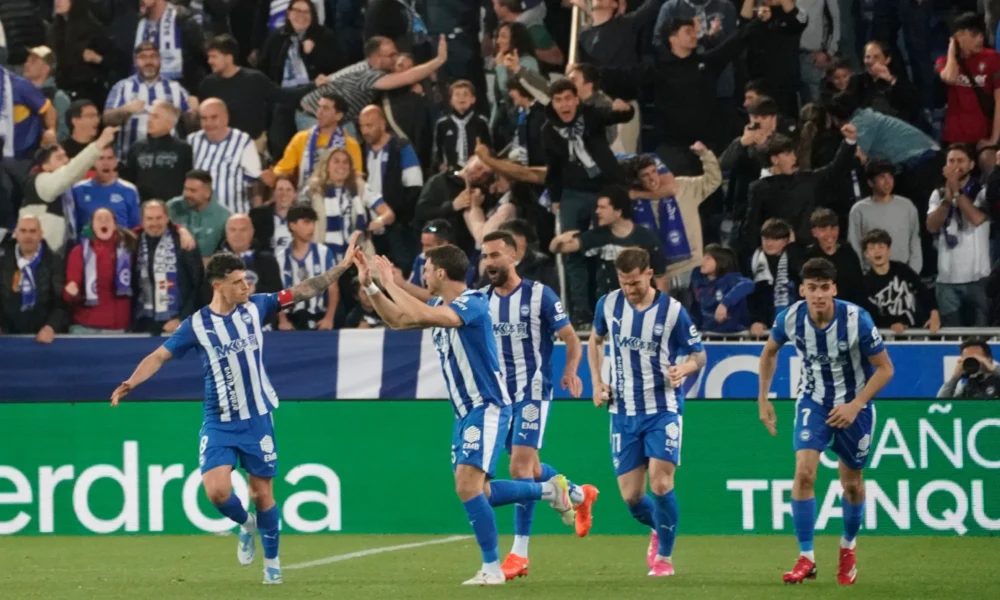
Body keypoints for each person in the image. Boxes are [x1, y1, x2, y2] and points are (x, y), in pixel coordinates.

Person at [110, 232, 365, 585]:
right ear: (219, 286)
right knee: (216, 491)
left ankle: (272, 565)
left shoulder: (257, 306)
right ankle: (245, 524)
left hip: (258, 417)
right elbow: (159, 356)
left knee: (263, 494)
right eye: (237, 282)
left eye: (246, 279)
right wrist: (131, 382)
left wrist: (342, 266)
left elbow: (305, 289)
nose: (245, 285)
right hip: (219, 421)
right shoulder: (196, 325)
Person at [354, 244, 576, 585]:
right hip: (464, 412)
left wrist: (393, 284)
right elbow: (400, 319)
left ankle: (491, 569)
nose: (423, 275)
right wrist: (372, 286)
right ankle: (549, 491)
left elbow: (425, 317)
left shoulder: (473, 302)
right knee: (480, 491)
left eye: (426, 269)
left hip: (485, 406)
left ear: (441, 272)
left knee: (466, 487)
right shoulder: (437, 305)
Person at [757, 257, 894, 586]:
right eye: (812, 288)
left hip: (854, 407)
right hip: (813, 402)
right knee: (804, 472)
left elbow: (886, 369)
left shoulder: (856, 319)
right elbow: (769, 352)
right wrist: (763, 398)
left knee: (851, 485)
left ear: (834, 289)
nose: (818, 295)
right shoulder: (790, 318)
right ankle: (806, 557)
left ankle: (848, 549)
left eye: (824, 288)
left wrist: (856, 404)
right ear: (802, 290)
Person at [479, 231, 597, 579]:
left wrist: (571, 370)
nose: (489, 263)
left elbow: (571, 338)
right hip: (499, 398)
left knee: (518, 470)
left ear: (514, 255)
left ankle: (519, 553)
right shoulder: (481, 299)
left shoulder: (540, 295)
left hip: (533, 392)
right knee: (530, 470)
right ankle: (577, 493)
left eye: (495, 255)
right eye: (484, 256)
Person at [586, 247, 707, 577]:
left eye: (635, 282)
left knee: (661, 483)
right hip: (622, 411)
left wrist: (684, 368)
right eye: (624, 282)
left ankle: (665, 559)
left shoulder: (672, 312)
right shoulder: (608, 305)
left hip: (662, 409)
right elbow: (594, 341)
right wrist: (596, 382)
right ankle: (659, 528)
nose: (629, 289)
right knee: (632, 497)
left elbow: (699, 355)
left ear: (649, 274)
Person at [550, 185, 670, 299]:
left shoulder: (646, 239)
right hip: (609, 307)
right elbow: (558, 248)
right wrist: (559, 240)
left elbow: (661, 280)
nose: (597, 211)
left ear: (618, 211)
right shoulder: (598, 236)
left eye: (602, 207)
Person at [301, 35, 450, 127]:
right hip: (313, 116)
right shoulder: (367, 74)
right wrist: (439, 60)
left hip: (340, 119)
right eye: (391, 55)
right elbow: (407, 77)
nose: (395, 58)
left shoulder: (369, 67)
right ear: (377, 59)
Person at [18, 125, 119, 254]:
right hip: (40, 258)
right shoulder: (39, 182)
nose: (66, 160)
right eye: (59, 158)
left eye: (65, 156)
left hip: (63, 253)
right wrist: (99, 144)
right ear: (45, 166)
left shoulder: (68, 190)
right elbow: (70, 172)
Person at [926, 144, 991, 327]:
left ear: (971, 165)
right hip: (946, 281)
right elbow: (931, 226)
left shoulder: (982, 191)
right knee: (953, 341)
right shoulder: (938, 194)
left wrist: (957, 192)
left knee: (981, 339)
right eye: (951, 161)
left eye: (960, 161)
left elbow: (976, 218)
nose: (956, 165)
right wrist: (947, 199)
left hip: (978, 279)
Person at [104, 42, 195, 160]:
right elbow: (106, 119)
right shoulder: (122, 87)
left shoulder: (175, 88)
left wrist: (194, 111)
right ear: (136, 61)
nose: (148, 61)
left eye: (153, 56)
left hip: (168, 159)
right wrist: (126, 110)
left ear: (160, 60)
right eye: (143, 57)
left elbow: (192, 124)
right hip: (128, 159)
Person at [359, 105, 422, 269]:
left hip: (398, 231)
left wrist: (396, 219)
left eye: (369, 125)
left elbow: (414, 188)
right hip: (369, 230)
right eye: (362, 126)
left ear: (382, 124)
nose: (365, 131)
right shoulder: (359, 150)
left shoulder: (401, 147)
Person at [305, 148, 393, 262]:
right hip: (324, 256)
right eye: (336, 161)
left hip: (359, 255)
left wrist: (378, 221)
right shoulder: (313, 191)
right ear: (326, 165)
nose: (341, 165)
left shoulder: (359, 187)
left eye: (345, 162)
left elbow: (388, 214)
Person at [132, 200, 203, 335]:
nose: (154, 223)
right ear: (142, 220)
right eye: (149, 219)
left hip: (176, 322)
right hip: (142, 321)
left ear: (167, 218)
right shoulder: (133, 241)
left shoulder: (184, 243)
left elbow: (198, 284)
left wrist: (182, 318)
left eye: (159, 218)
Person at [271, 92, 363, 191]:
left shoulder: (350, 145)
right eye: (319, 107)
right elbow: (283, 170)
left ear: (338, 116)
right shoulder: (301, 138)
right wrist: (273, 177)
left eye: (325, 108)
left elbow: (356, 178)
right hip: (305, 198)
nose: (319, 112)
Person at [63, 208, 136, 334]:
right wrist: (70, 292)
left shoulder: (129, 249)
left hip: (119, 327)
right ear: (92, 225)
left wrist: (179, 229)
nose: (104, 222)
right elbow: (70, 293)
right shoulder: (79, 252)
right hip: (86, 326)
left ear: (115, 224)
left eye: (108, 219)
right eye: (99, 220)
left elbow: (150, 228)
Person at [187, 98, 262, 215]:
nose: (209, 123)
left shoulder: (243, 141)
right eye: (204, 119)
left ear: (226, 118)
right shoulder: (192, 141)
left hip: (234, 218)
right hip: (199, 219)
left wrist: (257, 216)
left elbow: (255, 183)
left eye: (214, 117)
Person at [847, 159, 922, 274]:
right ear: (871, 182)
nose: (888, 182)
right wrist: (863, 275)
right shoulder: (859, 210)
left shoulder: (907, 206)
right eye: (882, 177)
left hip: (903, 274)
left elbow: (915, 242)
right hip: (872, 275)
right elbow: (854, 246)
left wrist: (912, 273)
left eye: (890, 177)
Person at [0, 215, 67, 340]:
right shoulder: (3, 263)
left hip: (44, 337)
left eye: (33, 231)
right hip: (6, 337)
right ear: (16, 233)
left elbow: (61, 303)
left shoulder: (55, 262)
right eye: (23, 231)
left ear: (40, 234)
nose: (28, 236)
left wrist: (51, 327)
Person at [861, 229, 940, 333]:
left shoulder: (903, 270)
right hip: (887, 337)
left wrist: (934, 313)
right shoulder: (866, 283)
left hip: (917, 331)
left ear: (888, 251)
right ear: (866, 254)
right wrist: (890, 325)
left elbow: (923, 292)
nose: (877, 251)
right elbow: (872, 315)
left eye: (881, 247)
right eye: (872, 248)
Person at [275, 204, 338, 331]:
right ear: (292, 225)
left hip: (318, 318)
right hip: (290, 320)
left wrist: (329, 318)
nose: (312, 227)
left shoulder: (324, 253)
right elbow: (276, 293)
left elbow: (333, 289)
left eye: (313, 223)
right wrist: (282, 320)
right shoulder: (280, 257)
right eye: (306, 222)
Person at [122, 100, 194, 202]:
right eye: (150, 115)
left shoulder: (184, 149)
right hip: (143, 209)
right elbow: (129, 182)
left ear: (170, 124)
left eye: (155, 117)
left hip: (174, 210)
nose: (149, 120)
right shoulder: (136, 147)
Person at [135, 0, 208, 93]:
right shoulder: (137, 24)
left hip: (181, 93)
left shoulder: (183, 22)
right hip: (142, 94)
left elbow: (201, 59)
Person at [748, 218, 803, 336]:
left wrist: (792, 247)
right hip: (766, 328)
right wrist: (757, 320)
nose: (769, 243)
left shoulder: (795, 259)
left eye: (775, 239)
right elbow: (754, 296)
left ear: (786, 241)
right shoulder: (755, 261)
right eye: (766, 239)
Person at [71, 146, 142, 230]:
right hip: (87, 242)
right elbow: (74, 226)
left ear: (115, 162)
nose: (106, 163)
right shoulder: (78, 190)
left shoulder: (129, 190)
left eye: (110, 158)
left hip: (120, 242)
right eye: (101, 158)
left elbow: (135, 227)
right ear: (93, 162)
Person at [167, 170, 231, 261]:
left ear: (207, 193)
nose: (187, 194)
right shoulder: (172, 207)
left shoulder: (224, 217)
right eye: (185, 189)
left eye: (193, 191)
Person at [690, 243, 753, 334]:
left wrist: (724, 304)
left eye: (708, 258)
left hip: (734, 336)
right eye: (703, 257)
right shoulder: (698, 279)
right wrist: (693, 324)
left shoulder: (730, 279)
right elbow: (695, 307)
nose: (702, 261)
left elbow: (748, 284)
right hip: (707, 334)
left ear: (720, 262)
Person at [434, 80, 492, 171]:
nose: (462, 98)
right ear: (451, 101)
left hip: (476, 171)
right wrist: (441, 165)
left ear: (473, 99)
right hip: (450, 172)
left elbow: (490, 149)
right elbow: (436, 152)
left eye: (465, 94)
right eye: (457, 95)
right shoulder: (442, 124)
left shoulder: (481, 122)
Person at [249, 174, 297, 253]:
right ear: (274, 193)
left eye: (288, 190)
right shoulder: (258, 216)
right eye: (280, 189)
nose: (284, 194)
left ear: (295, 194)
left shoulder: (302, 217)